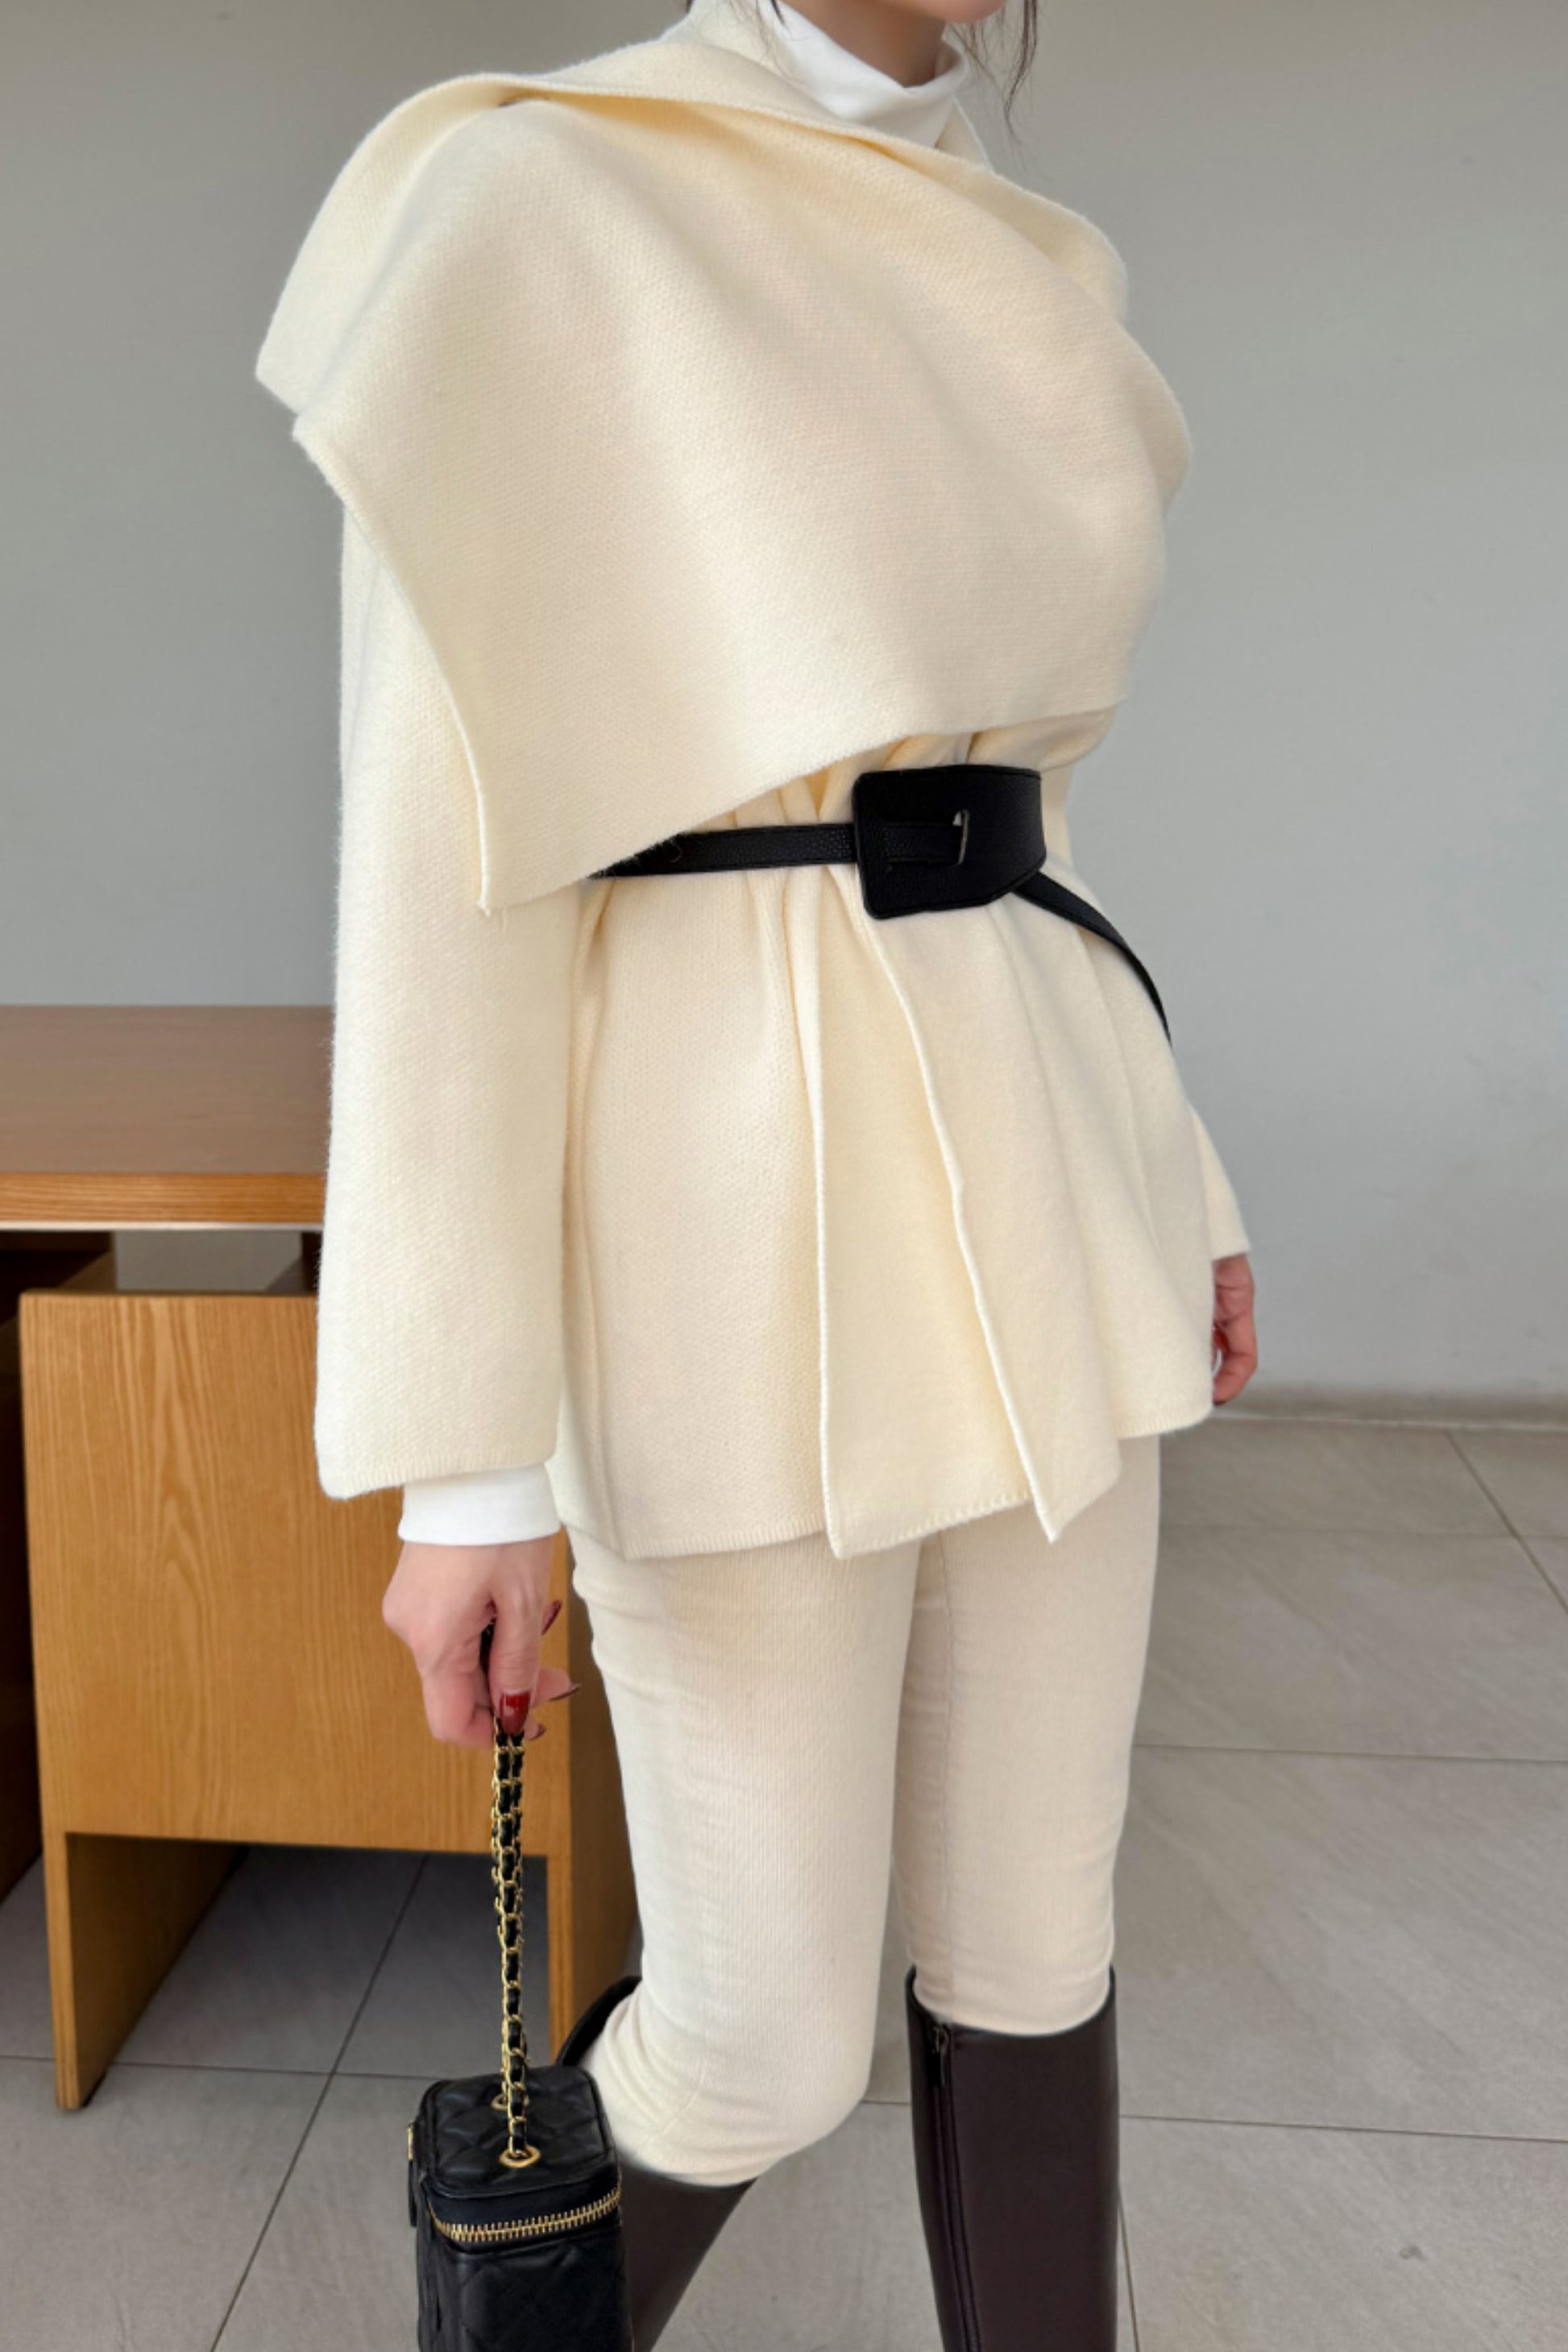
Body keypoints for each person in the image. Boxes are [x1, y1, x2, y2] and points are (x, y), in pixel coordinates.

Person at [259, 2, 1259, 2343]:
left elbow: (1030, 822)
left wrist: (1185, 1186)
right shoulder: (539, 196)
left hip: (1054, 1163)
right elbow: (439, 865)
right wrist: (468, 1464)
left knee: (1037, 1939)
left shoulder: (1030, 257)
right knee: (760, 2033)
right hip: (713, 1193)